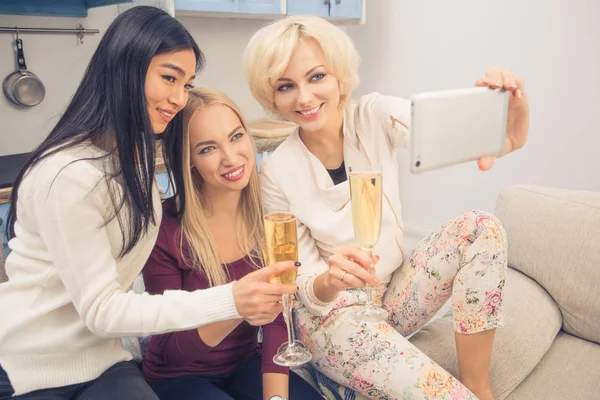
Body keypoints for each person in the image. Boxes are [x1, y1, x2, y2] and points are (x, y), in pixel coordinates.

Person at [0, 7, 296, 399]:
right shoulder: (68, 174)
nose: (178, 98)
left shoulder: (132, 165)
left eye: (187, 84)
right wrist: (231, 300)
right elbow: (103, 310)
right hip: (29, 363)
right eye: (169, 78)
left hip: (103, 357)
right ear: (126, 69)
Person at [243, 15, 530, 400]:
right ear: (272, 96)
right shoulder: (277, 170)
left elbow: (434, 128)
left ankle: (478, 385)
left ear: (339, 76)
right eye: (286, 86)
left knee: (481, 226)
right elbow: (301, 286)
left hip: (389, 291)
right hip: (331, 317)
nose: (304, 98)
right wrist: (331, 280)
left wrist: (498, 128)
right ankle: (343, 374)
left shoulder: (374, 115)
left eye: (316, 77)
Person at [141, 87, 323, 400]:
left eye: (236, 137)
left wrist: (275, 398)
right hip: (178, 377)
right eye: (208, 149)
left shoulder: (270, 215)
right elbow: (171, 351)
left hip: (245, 363)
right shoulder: (164, 231)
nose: (231, 157)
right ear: (189, 161)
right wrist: (237, 307)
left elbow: (279, 316)